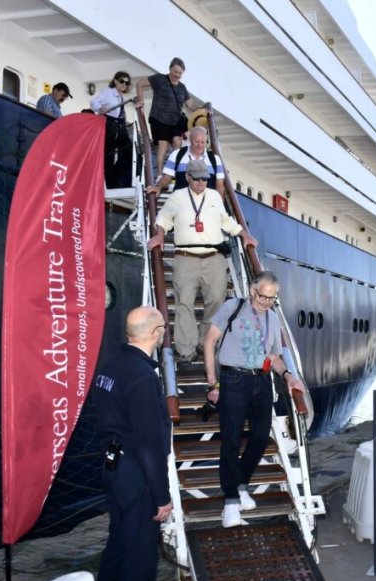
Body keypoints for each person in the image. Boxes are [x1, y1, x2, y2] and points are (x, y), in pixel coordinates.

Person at [93, 306, 172, 581]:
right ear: (155, 334)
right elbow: (150, 446)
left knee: (116, 549)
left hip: (111, 465)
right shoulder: (142, 377)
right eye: (163, 330)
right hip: (135, 474)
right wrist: (162, 497)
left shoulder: (110, 367)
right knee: (139, 560)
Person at [201, 271, 305, 528]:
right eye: (263, 295)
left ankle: (241, 484)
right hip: (234, 381)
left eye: (272, 298)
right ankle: (231, 502)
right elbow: (209, 342)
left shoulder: (272, 317)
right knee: (231, 442)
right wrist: (213, 381)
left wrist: (289, 376)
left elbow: (276, 357)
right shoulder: (233, 307)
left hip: (262, 381)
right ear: (252, 290)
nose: (266, 301)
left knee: (259, 439)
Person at [146, 158, 256, 363]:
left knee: (216, 302)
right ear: (188, 177)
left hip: (214, 258)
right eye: (196, 178)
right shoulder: (177, 197)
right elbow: (162, 219)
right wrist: (160, 235)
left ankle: (206, 342)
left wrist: (243, 235)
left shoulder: (214, 195)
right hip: (185, 258)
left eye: (204, 179)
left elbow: (226, 220)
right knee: (184, 303)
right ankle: (186, 349)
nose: (201, 182)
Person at [136, 57, 198, 173]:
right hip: (159, 119)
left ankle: (173, 171)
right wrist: (140, 100)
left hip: (174, 121)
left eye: (180, 73)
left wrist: (201, 109)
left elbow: (190, 104)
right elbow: (140, 83)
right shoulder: (160, 79)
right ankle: (160, 174)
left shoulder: (182, 87)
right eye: (175, 71)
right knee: (163, 146)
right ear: (170, 69)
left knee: (177, 142)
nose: (177, 75)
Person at [146, 125, 226, 199]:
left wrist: (220, 206)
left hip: (206, 207)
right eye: (197, 141)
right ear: (190, 139)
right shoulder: (177, 154)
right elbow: (166, 178)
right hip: (181, 204)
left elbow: (220, 186)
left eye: (203, 142)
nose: (200, 145)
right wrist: (158, 187)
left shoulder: (215, 160)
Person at [90, 71, 140, 188]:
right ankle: (111, 183)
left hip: (120, 127)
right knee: (109, 156)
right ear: (116, 81)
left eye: (127, 83)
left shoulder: (120, 97)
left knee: (129, 150)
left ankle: (115, 176)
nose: (124, 84)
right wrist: (100, 108)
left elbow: (119, 114)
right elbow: (93, 102)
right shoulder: (108, 92)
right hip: (110, 125)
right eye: (122, 81)